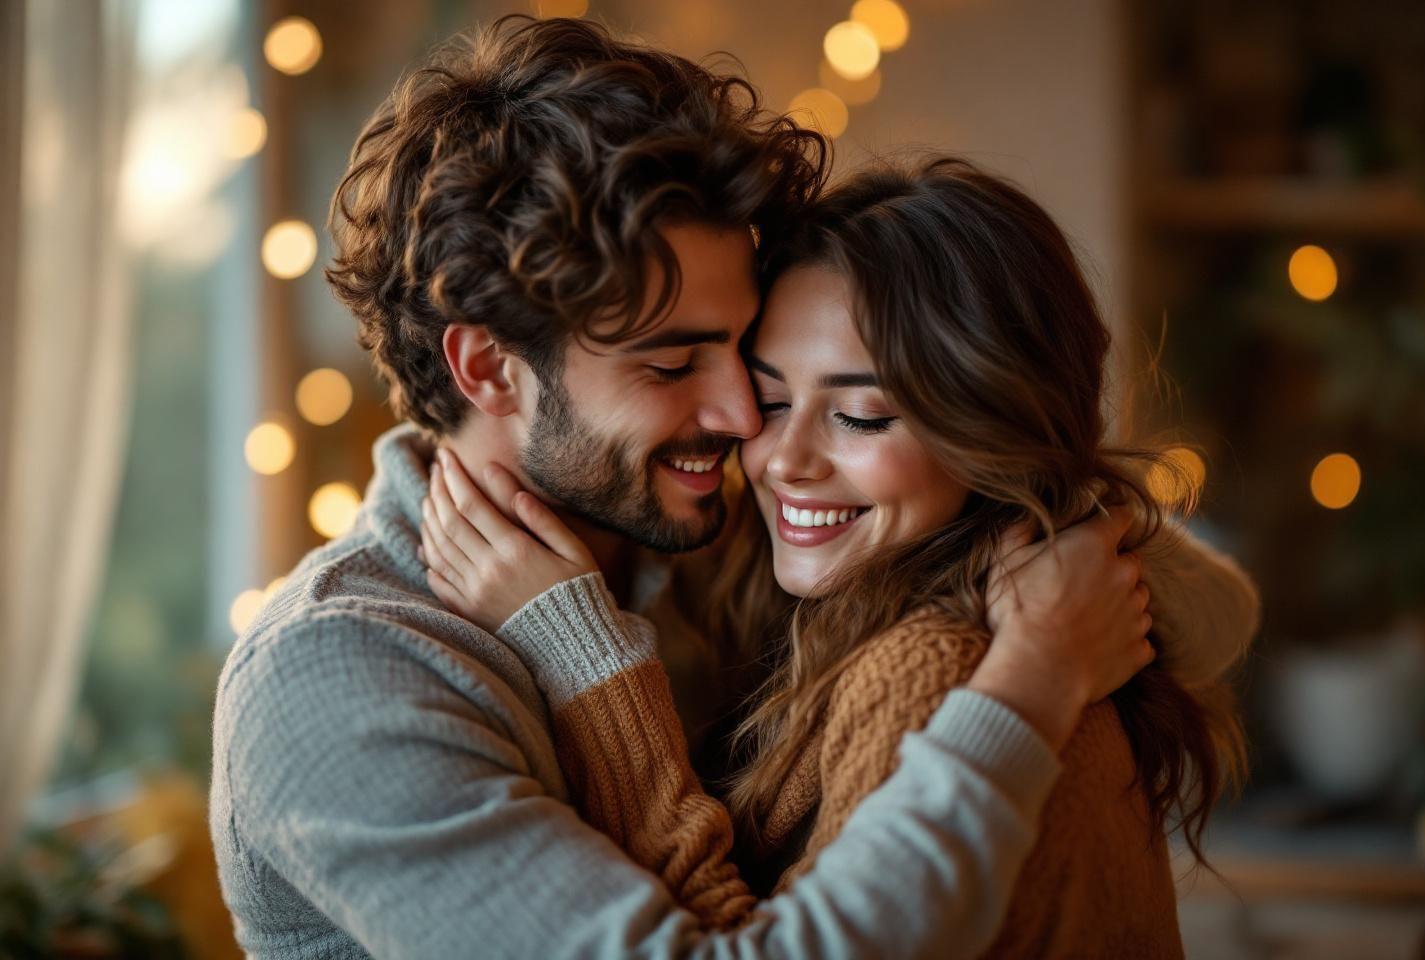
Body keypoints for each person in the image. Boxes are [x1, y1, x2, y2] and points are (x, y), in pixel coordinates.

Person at [212, 16, 1164, 959]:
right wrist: (1035, 670)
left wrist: (1071, 548)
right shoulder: (340, 674)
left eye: (742, 353)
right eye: (671, 367)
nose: (747, 421)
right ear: (491, 369)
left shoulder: (715, 558)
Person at [417, 156, 1258, 956]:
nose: (784, 460)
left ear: (991, 433)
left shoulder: (938, 668)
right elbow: (1222, 609)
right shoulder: (932, 591)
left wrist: (583, 659)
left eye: (859, 416)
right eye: (772, 400)